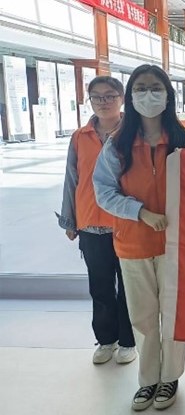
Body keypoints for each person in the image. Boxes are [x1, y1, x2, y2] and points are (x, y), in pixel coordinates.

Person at [93, 64, 185, 411]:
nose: (149, 95)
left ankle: (171, 377)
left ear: (168, 95)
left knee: (174, 315)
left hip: (175, 247)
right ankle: (148, 380)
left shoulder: (182, 140)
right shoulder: (117, 143)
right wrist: (141, 213)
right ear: (131, 96)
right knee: (143, 318)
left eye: (156, 88)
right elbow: (103, 192)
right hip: (133, 244)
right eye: (141, 88)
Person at [57, 76, 136, 365]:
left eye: (110, 95)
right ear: (89, 100)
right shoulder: (80, 136)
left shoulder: (133, 133)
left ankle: (128, 341)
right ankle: (106, 339)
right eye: (97, 97)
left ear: (122, 98)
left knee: (128, 286)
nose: (104, 102)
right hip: (91, 223)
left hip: (126, 223)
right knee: (100, 286)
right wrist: (70, 219)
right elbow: (71, 178)